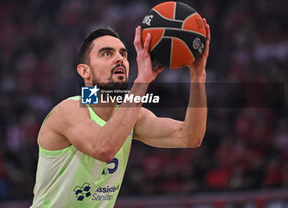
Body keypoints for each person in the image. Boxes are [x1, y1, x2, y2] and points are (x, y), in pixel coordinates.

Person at [31, 19, 210, 208]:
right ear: (85, 71)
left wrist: (198, 76)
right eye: (106, 53)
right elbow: (103, 148)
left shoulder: (131, 115)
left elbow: (190, 137)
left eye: (123, 54)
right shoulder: (68, 110)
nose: (119, 59)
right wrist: (142, 81)